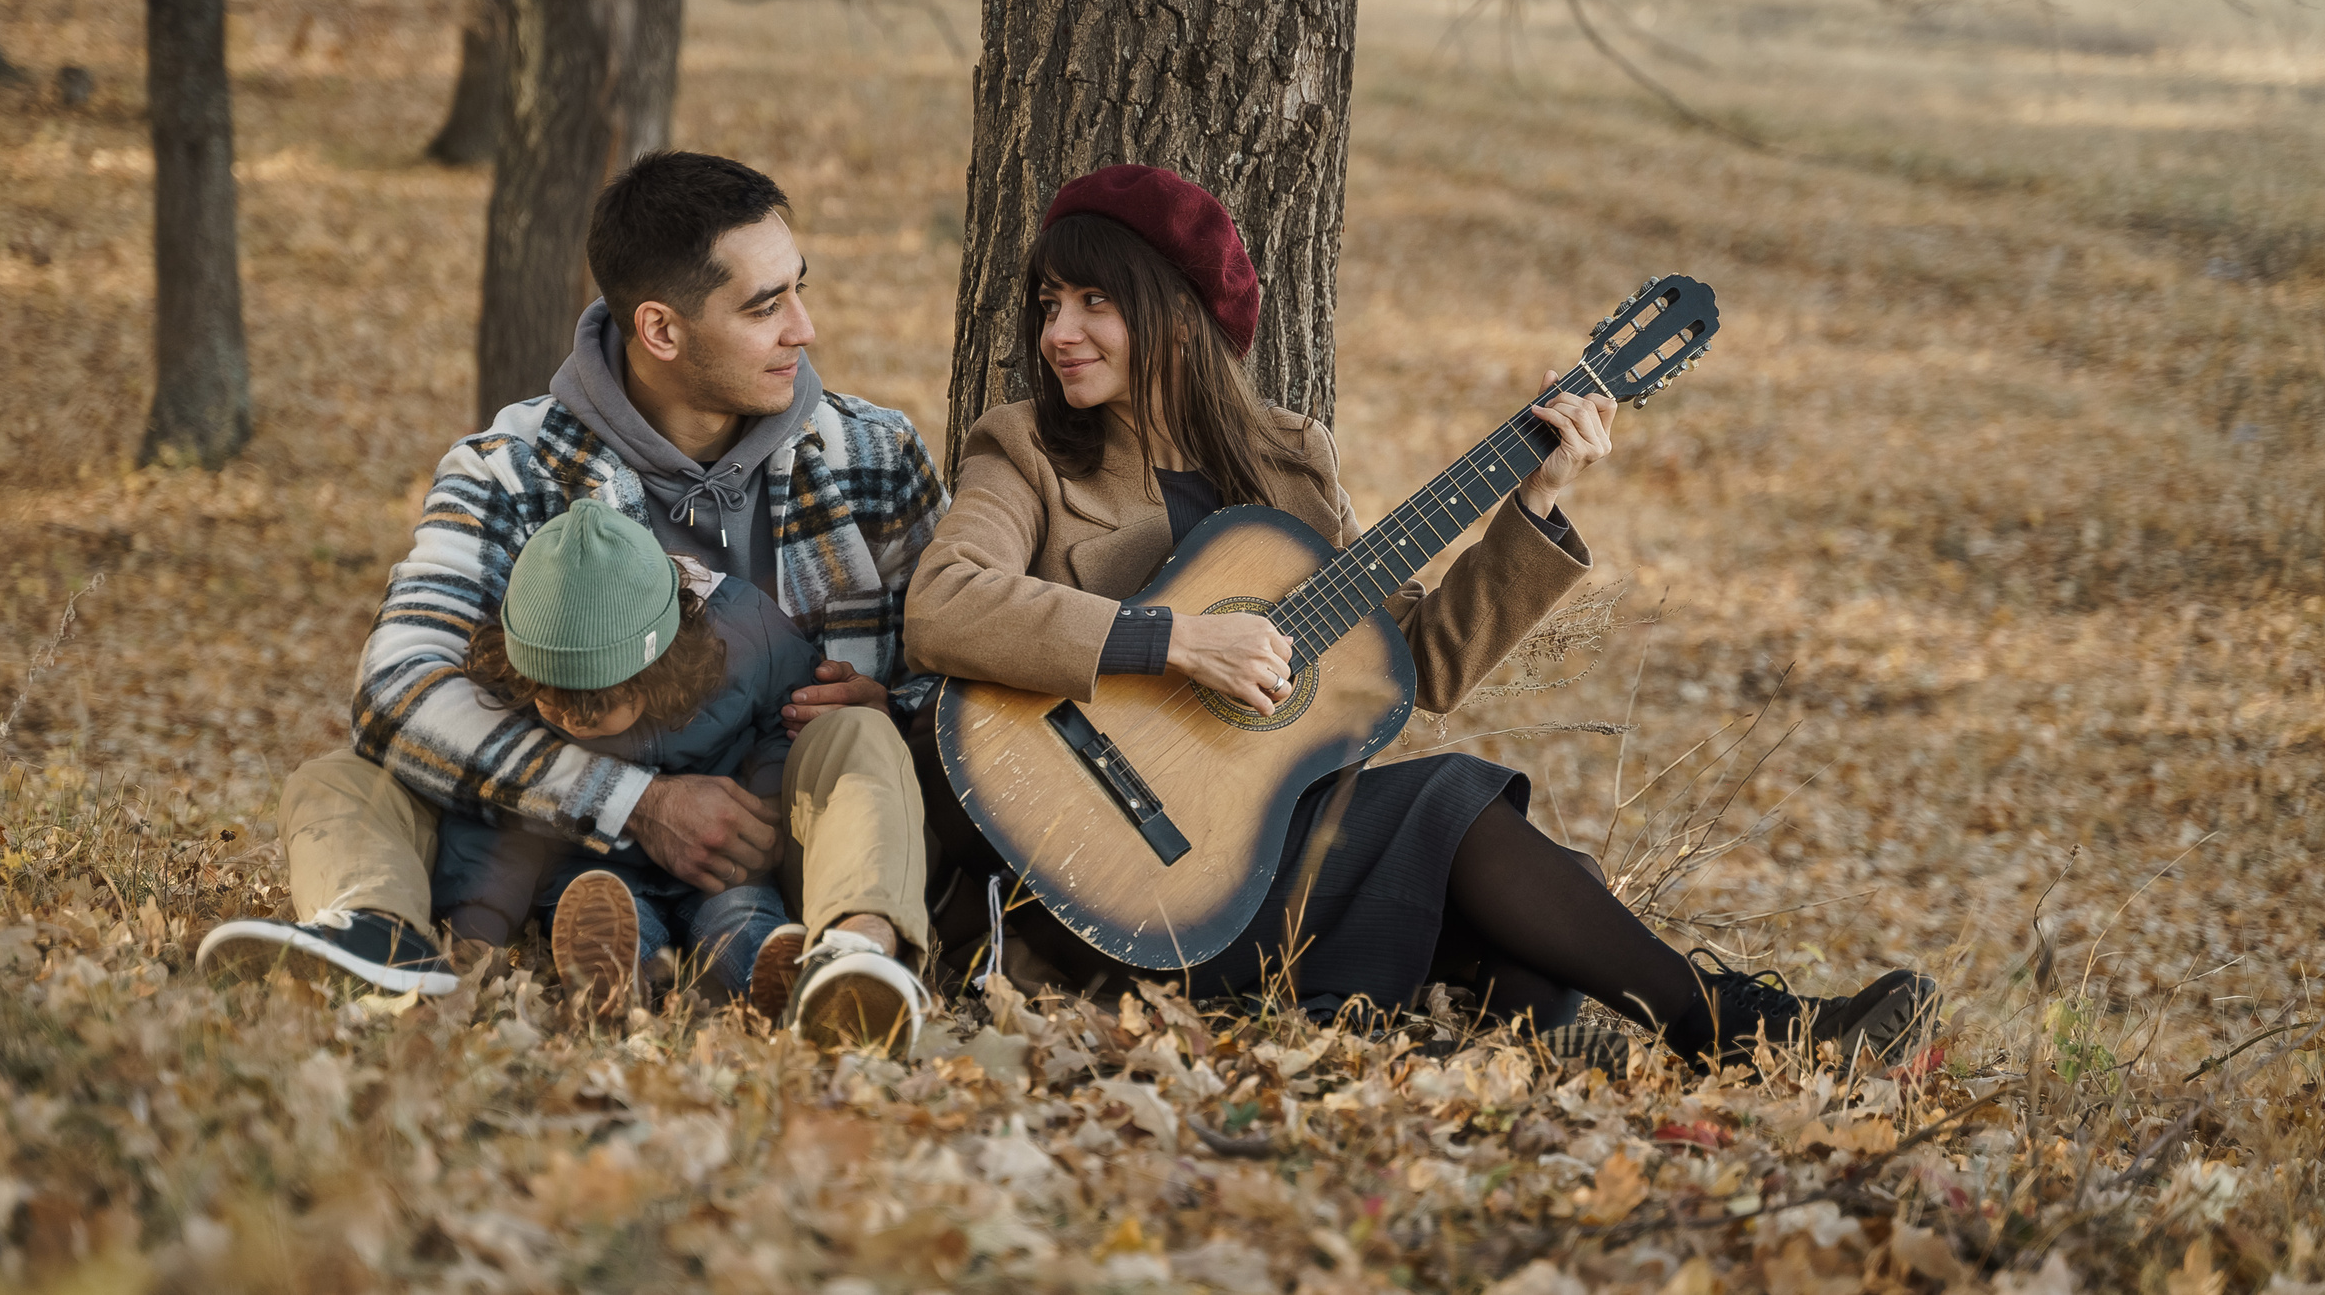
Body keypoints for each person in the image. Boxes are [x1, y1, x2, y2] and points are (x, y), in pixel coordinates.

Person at [903, 165, 1935, 1069]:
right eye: (1049, 302)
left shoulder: (1288, 464)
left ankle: (1550, 1032)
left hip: (1260, 848)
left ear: (1175, 310)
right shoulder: (1027, 450)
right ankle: (1727, 1025)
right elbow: (945, 607)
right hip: (1103, 867)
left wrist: (1531, 505)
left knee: (1539, 880)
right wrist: (1175, 639)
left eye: (1093, 301)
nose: (1057, 333)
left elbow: (1419, 664)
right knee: (1457, 809)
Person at [200, 153, 943, 1044]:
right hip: (562, 847)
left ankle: (852, 962)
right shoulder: (509, 466)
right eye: (764, 306)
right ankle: (379, 937)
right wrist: (638, 804)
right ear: (660, 330)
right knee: (339, 779)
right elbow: (399, 692)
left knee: (857, 734)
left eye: (798, 290)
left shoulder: (872, 454)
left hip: (785, 842)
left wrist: (898, 708)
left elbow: (961, 682)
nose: (804, 328)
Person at [419, 502, 816, 1013]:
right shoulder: (516, 699)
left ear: (658, 665)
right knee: (601, 913)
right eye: (549, 695)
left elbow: (789, 715)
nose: (571, 719)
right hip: (594, 868)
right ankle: (609, 986)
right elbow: (495, 826)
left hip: (724, 865)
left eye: (596, 703)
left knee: (742, 915)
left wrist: (768, 801)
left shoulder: (747, 637)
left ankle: (772, 986)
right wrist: (478, 930)